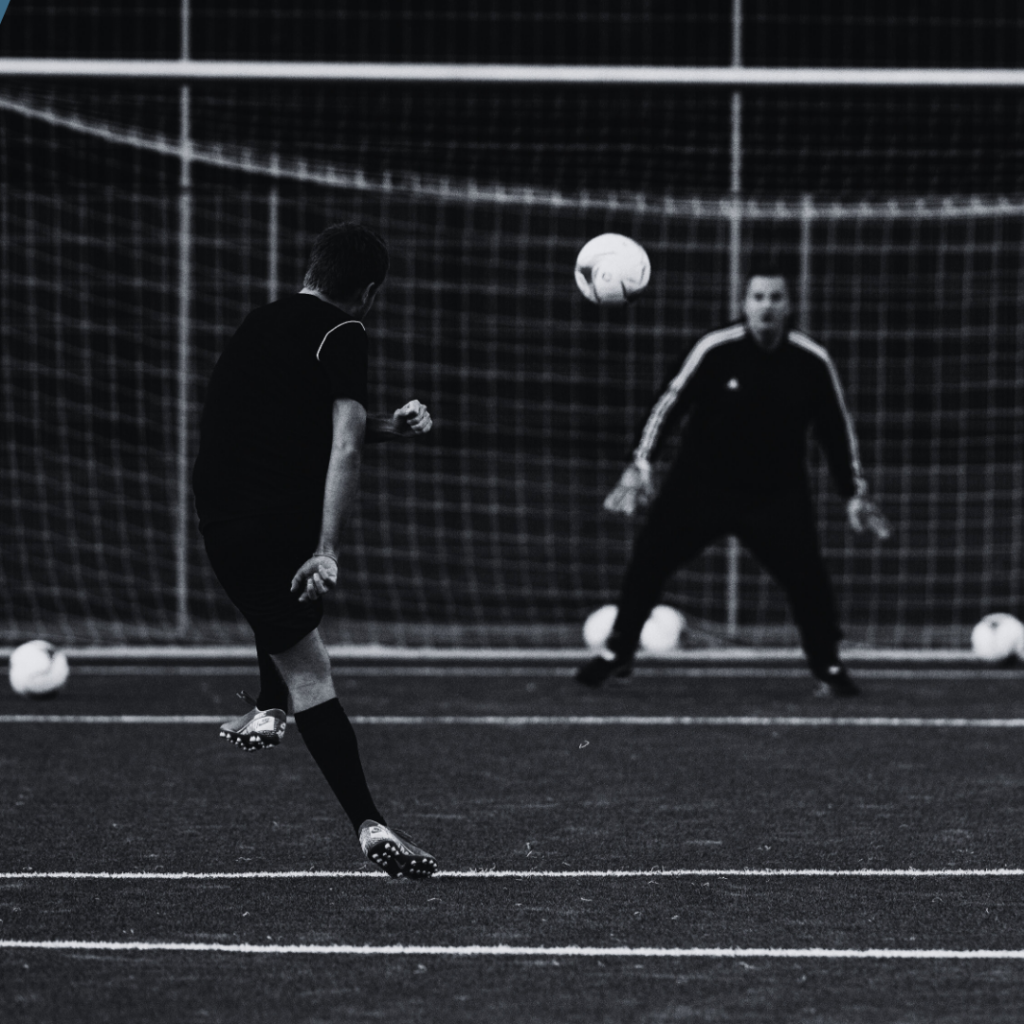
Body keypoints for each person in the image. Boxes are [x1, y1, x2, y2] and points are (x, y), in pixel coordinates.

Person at [193, 222, 437, 879]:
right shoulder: (345, 329)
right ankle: (369, 823)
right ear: (369, 292)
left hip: (219, 519)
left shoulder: (260, 321)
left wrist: (390, 426)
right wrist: (327, 547)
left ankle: (267, 710)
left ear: (312, 268)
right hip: (280, 520)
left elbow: (299, 422)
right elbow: (343, 445)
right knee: (312, 672)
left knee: (275, 609)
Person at [576, 263, 891, 697]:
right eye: (758, 297)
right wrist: (642, 463)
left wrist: (854, 493)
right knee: (648, 562)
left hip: (775, 494)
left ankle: (829, 665)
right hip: (700, 486)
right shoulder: (715, 349)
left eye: (776, 297)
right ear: (744, 304)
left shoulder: (811, 361)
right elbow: (669, 404)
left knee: (808, 579)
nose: (766, 306)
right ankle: (618, 651)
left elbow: (836, 429)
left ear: (789, 305)